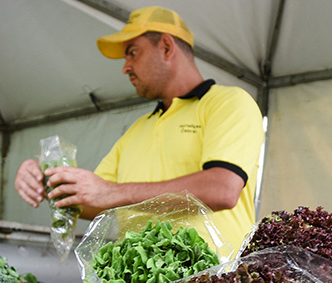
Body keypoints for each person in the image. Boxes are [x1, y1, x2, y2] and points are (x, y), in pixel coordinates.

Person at [14, 6, 264, 249]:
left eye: (133, 52)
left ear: (166, 47)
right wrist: (44, 178)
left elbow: (222, 189)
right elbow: (94, 202)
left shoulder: (228, 103)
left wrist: (112, 192)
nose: (125, 67)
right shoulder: (136, 130)